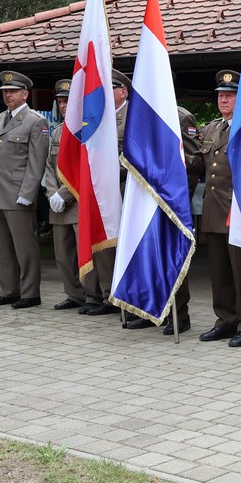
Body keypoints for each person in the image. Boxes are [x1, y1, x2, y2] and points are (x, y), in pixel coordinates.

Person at [187, 70, 241, 347]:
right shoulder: (212, 128)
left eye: (229, 96)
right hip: (214, 210)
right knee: (219, 271)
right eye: (220, 96)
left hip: (239, 210)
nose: (224, 100)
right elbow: (197, 164)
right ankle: (226, 320)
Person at [122, 102, 200, 334]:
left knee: (171, 256)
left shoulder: (181, 116)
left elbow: (193, 163)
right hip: (144, 200)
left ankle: (180, 315)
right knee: (146, 256)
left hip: (170, 203)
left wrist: (176, 201)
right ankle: (150, 309)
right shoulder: (137, 112)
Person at [0, 70, 50, 309]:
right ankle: (8, 290)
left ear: (25, 94)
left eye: (13, 91)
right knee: (1, 246)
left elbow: (36, 161)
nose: (8, 95)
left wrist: (28, 193)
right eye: (5, 92)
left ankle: (30, 293)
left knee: (24, 246)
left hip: (18, 193)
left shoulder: (35, 121)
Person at [81, 71, 133, 316]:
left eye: (112, 87)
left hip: (123, 188)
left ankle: (121, 295)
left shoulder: (132, 115)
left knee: (121, 244)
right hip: (101, 188)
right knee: (103, 243)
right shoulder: (99, 116)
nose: (106, 92)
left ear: (123, 91)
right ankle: (105, 294)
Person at [42, 78, 91, 310]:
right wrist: (52, 192)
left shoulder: (87, 129)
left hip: (78, 201)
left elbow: (85, 167)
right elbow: (50, 167)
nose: (63, 105)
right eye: (60, 101)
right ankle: (73, 295)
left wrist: (64, 194)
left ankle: (92, 296)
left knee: (84, 254)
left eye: (67, 100)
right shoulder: (59, 131)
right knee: (63, 254)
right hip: (57, 203)